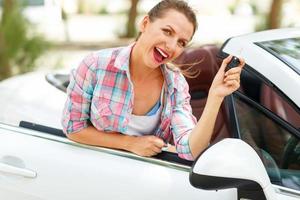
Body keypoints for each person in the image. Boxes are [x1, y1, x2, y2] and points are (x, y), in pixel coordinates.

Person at [61, 0, 245, 161]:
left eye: (181, 42)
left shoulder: (175, 85)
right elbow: (73, 128)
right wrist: (130, 143)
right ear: (145, 23)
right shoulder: (96, 65)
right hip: (96, 168)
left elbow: (191, 150)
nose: (172, 46)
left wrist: (215, 96)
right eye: (167, 31)